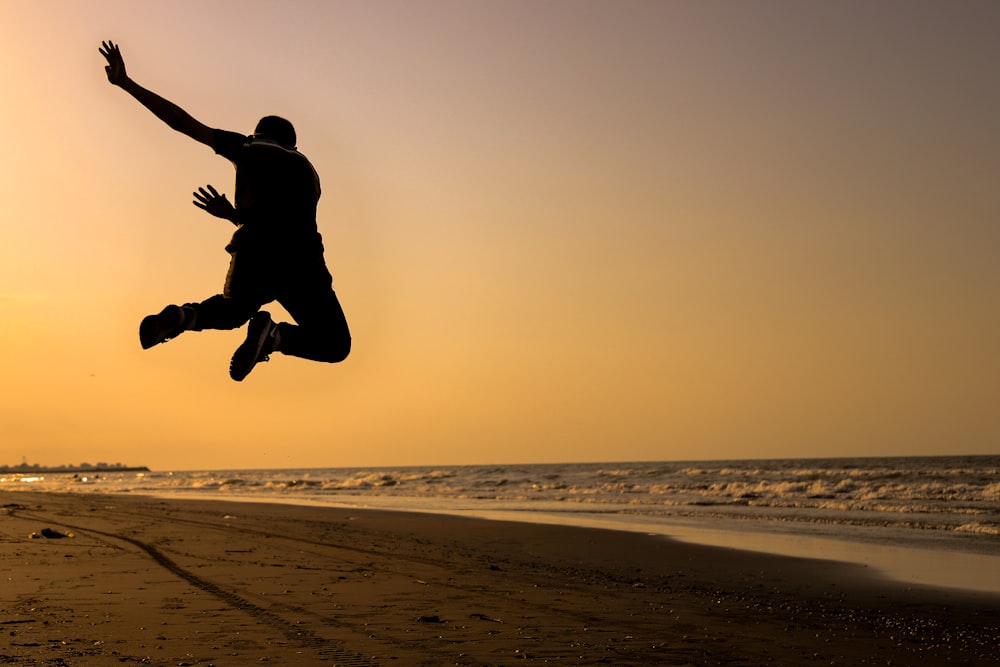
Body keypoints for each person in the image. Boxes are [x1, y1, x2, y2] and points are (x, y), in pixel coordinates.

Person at [99, 40, 350, 381]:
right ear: (293, 144)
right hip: (300, 260)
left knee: (232, 311)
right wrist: (234, 215)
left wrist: (127, 83)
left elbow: (180, 122)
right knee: (335, 344)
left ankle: (182, 318)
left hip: (254, 251)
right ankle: (275, 338)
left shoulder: (245, 147)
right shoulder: (308, 170)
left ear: (258, 134)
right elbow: (287, 221)